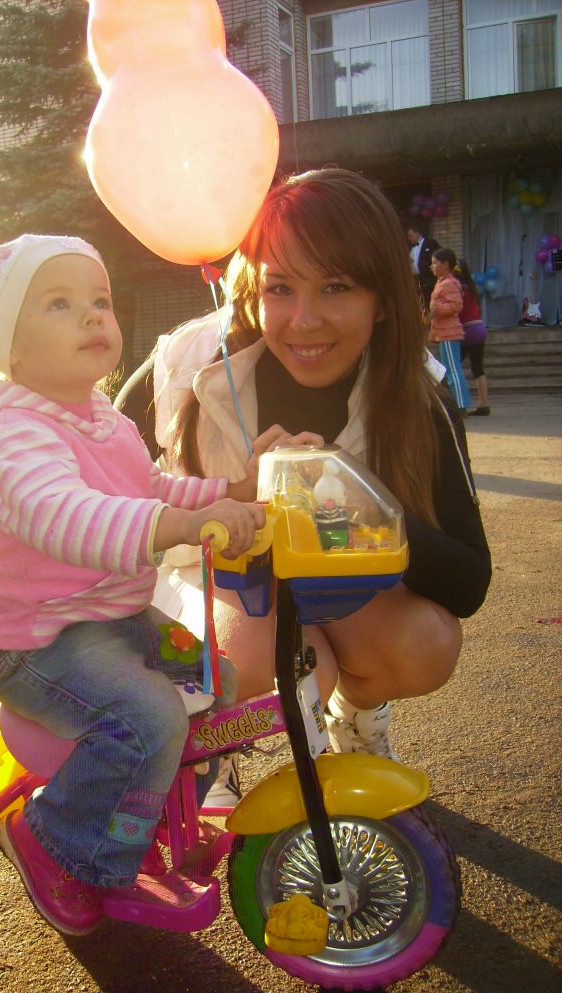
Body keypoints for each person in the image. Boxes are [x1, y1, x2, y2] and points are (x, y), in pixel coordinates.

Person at [0, 233, 293, 937]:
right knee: (151, 717)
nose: (92, 315)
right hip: (40, 643)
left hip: (113, 618)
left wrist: (231, 491)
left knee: (215, 681)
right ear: (7, 345)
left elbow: (152, 487)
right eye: (59, 303)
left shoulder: (102, 419)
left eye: (99, 301)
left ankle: (150, 812)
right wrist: (180, 526)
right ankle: (58, 841)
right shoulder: (14, 436)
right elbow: (68, 519)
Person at [116, 168, 491, 780]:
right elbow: (96, 481)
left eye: (337, 287)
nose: (303, 320)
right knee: (269, 654)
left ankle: (356, 716)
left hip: (340, 596)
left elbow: (468, 581)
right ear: (252, 289)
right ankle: (209, 752)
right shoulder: (188, 363)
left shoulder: (418, 399)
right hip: (207, 586)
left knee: (424, 644)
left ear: (384, 300)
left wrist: (350, 495)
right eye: (280, 288)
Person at [429, 248, 472, 415]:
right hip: (443, 331)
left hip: (449, 332)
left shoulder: (450, 283)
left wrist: (436, 309)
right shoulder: (443, 282)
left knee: (453, 369)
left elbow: (456, 305)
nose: (432, 266)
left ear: (445, 264)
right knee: (449, 369)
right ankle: (456, 403)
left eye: (435, 263)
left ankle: (460, 405)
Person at [456, 258, 490, 416]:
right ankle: (484, 404)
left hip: (467, 329)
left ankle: (460, 403)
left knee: (453, 367)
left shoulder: (456, 287)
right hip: (478, 327)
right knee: (477, 368)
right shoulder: (471, 287)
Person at [407, 223, 439, 311]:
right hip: (416, 280)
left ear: (417, 233)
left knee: (429, 302)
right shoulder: (409, 248)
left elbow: (438, 257)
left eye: (410, 236)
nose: (409, 238)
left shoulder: (430, 244)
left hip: (428, 280)